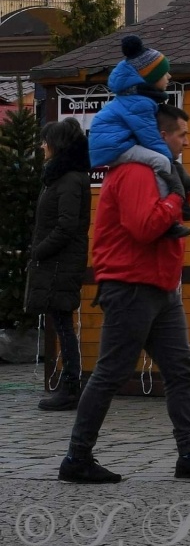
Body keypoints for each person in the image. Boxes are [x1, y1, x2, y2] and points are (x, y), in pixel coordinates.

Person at [60, 104, 190, 483]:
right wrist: (175, 200)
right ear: (161, 135)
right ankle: (76, 457)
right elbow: (144, 227)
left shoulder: (155, 171)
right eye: (182, 135)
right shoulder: (137, 172)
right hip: (132, 284)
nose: (187, 142)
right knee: (111, 372)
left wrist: (175, 196)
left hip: (158, 284)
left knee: (180, 368)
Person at [87, 35, 190, 239]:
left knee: (165, 162)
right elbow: (150, 137)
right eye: (164, 73)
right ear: (150, 78)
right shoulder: (140, 102)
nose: (169, 76)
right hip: (114, 146)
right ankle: (167, 210)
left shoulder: (136, 98)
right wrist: (168, 159)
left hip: (115, 143)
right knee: (161, 161)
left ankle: (180, 205)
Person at [26, 119, 93, 411]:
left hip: (59, 264)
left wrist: (38, 251)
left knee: (64, 324)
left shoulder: (69, 180)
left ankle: (70, 387)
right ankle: (69, 386)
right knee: (62, 322)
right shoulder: (60, 177)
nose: (42, 146)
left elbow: (66, 226)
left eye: (46, 141)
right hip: (56, 262)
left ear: (58, 145)